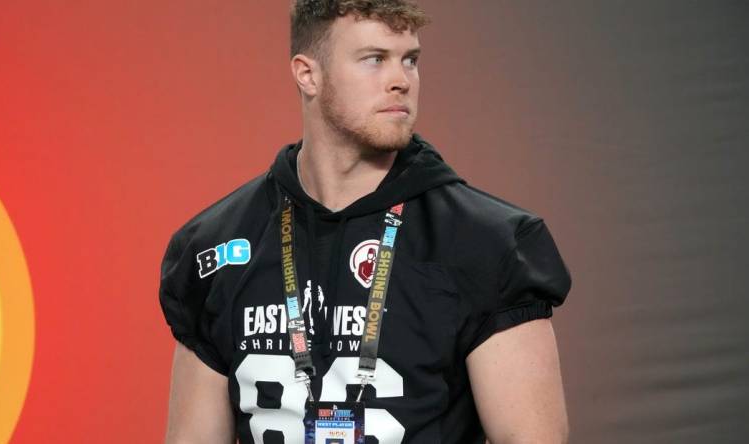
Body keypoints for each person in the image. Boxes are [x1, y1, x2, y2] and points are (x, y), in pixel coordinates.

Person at [159, 1, 572, 443]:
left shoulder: (488, 244)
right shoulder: (216, 246)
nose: (401, 81)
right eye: (375, 59)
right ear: (307, 74)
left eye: (409, 60)